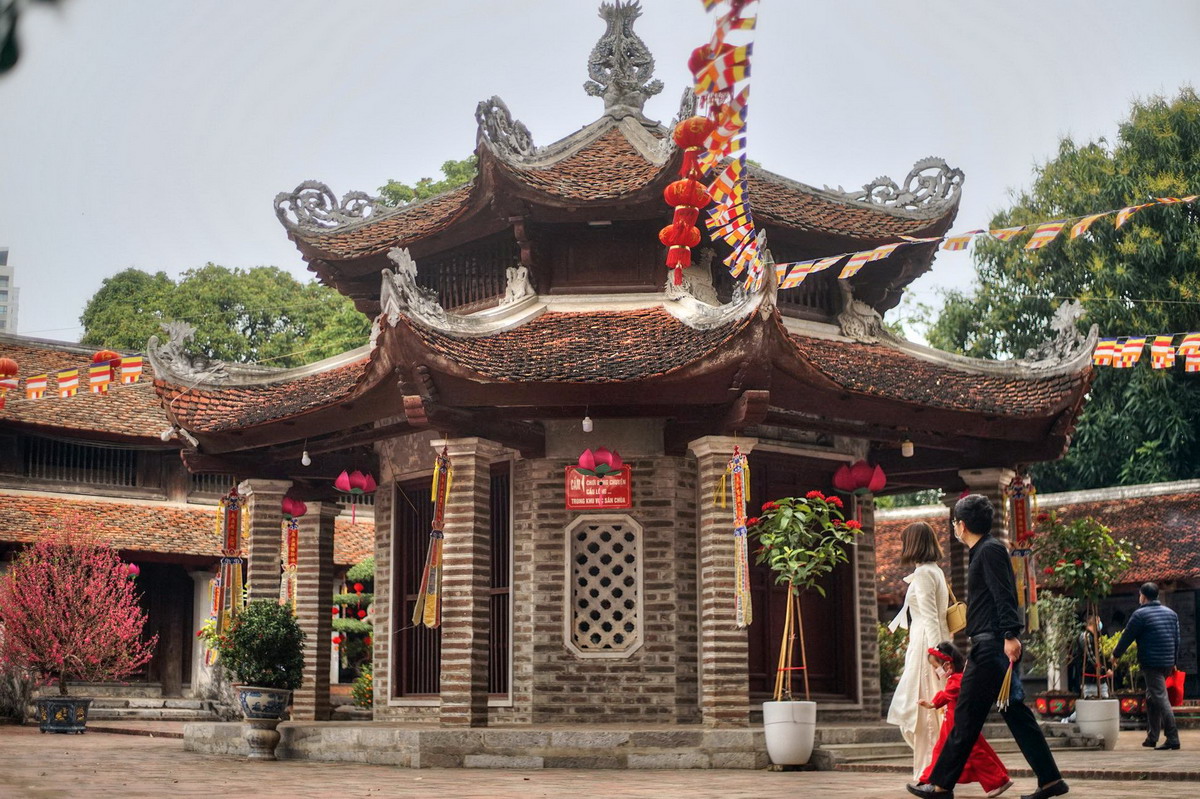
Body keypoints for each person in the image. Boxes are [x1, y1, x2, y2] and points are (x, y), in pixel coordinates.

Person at [906, 494, 1067, 799]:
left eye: (955, 522)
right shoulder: (983, 550)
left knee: (965, 717)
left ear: (962, 525)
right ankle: (1050, 780)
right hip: (988, 645)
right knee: (1014, 715)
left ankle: (940, 785)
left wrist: (1010, 634)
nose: (955, 527)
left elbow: (1004, 594)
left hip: (992, 646)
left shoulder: (989, 550)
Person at [887, 522, 952, 781]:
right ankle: (933, 770)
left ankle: (930, 771)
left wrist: (936, 654)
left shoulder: (925, 573)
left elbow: (930, 616)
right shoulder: (935, 571)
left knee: (924, 712)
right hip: (928, 641)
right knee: (929, 710)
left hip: (926, 645)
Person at [919, 641, 1013, 798]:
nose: (935, 671)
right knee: (943, 751)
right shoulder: (956, 678)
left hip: (956, 723)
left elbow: (948, 694)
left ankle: (998, 780)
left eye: (936, 666)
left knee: (972, 751)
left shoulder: (957, 679)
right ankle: (928, 780)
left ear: (948, 665)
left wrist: (933, 703)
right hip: (951, 722)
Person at [1111, 582, 1181, 750]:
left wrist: (1116, 655)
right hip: (1167, 662)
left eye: (1140, 594)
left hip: (1152, 662)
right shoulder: (1171, 614)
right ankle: (1152, 737)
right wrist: (1175, 662)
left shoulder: (1140, 615)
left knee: (1160, 698)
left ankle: (1173, 737)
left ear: (1143, 596)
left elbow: (1127, 637)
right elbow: (1177, 639)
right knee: (1151, 697)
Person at [1063, 615, 1109, 724]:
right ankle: (1070, 720)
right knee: (1089, 704)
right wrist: (1104, 669)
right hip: (1090, 676)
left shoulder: (1095, 637)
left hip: (1098, 677)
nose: (1100, 624)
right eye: (1098, 622)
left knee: (1103, 700)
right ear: (1093, 623)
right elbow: (1091, 657)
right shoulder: (1086, 637)